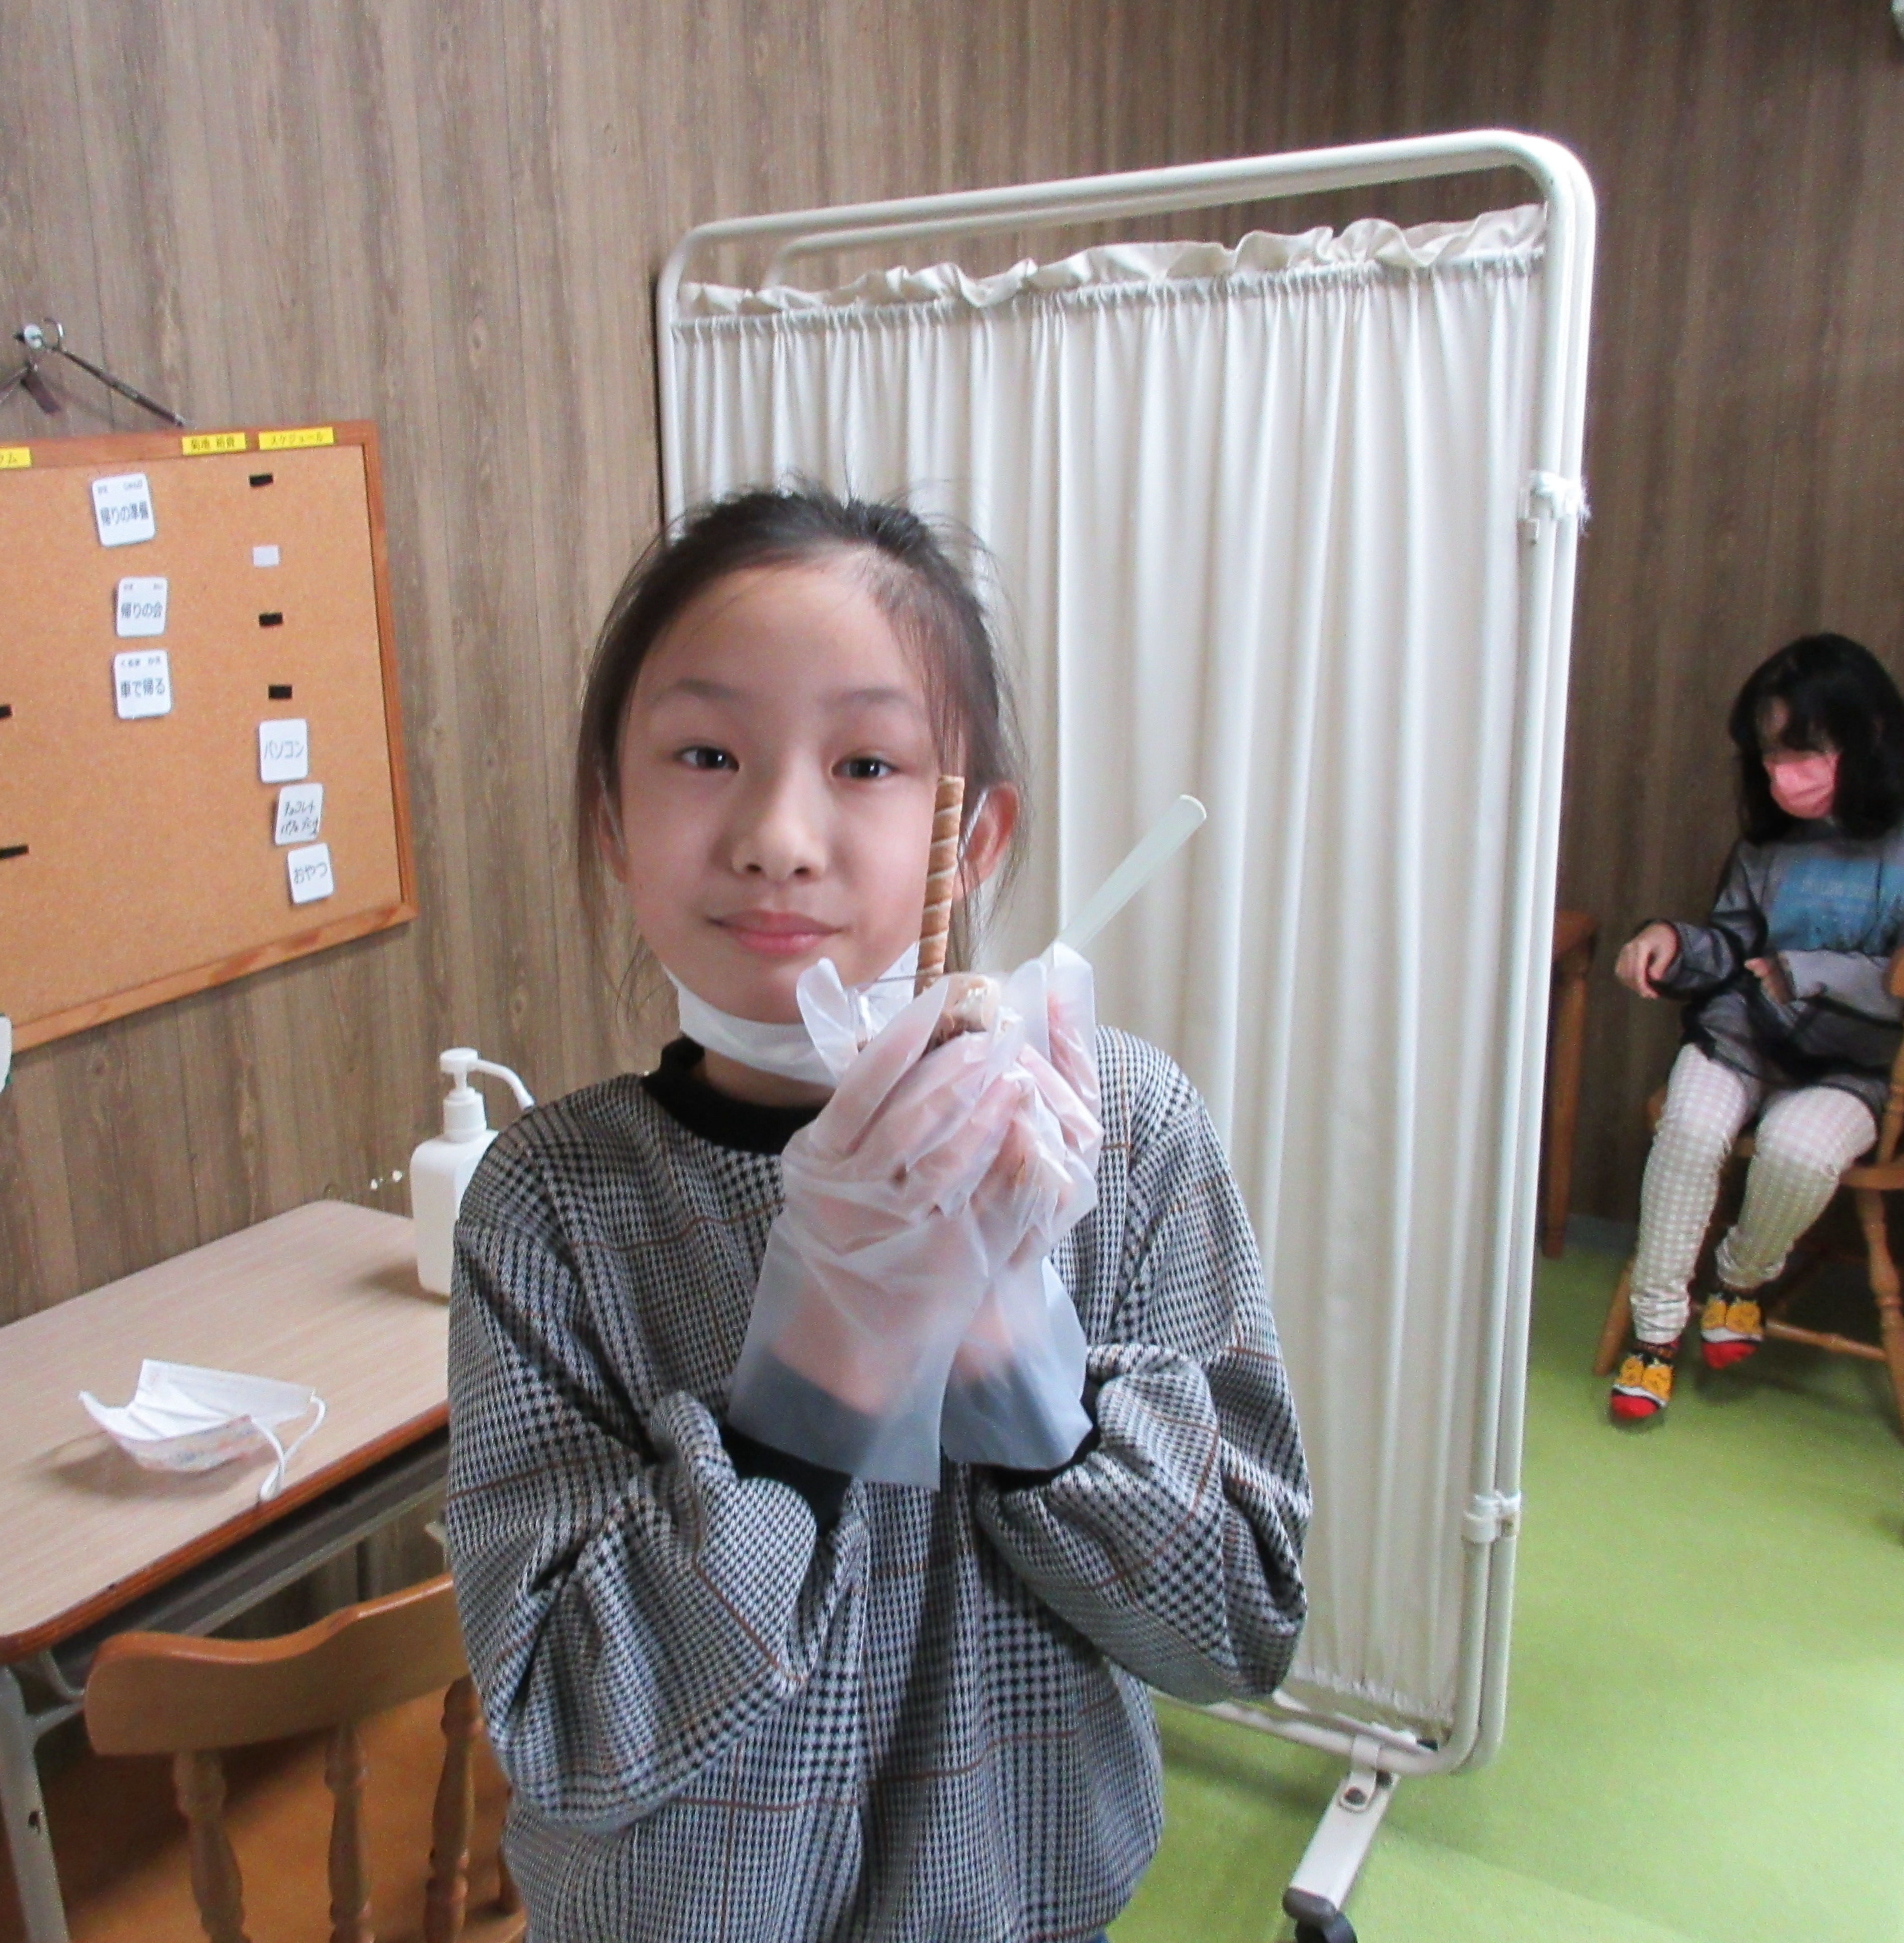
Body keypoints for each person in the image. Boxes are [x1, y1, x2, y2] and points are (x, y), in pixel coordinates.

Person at [441, 487, 1309, 1942]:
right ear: (613, 819)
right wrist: (807, 1389)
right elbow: (568, 1731)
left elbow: (1242, 1625)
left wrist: (1025, 1365)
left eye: (866, 762)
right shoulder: (552, 1207)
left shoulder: (1121, 1140)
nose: (779, 835)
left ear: (973, 839)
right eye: (706, 754)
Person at [1607, 633, 1904, 1422]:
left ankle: (1740, 1277)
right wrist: (1670, 941)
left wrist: (1808, 971)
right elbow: (1733, 941)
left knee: (1797, 1151)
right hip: (1750, 1033)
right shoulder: (1775, 832)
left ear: (1870, 733)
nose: (1781, 774)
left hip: (1871, 1065)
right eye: (1768, 754)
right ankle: (1654, 1334)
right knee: (1689, 1129)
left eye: (1801, 751)